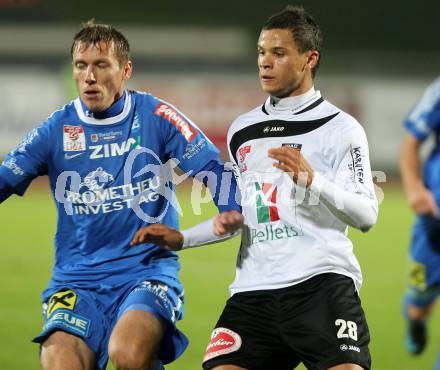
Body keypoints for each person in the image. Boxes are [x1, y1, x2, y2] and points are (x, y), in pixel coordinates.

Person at [132, 5, 378, 370]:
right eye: (262, 52)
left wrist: (316, 182)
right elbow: (243, 216)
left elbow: (367, 215)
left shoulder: (342, 128)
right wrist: (182, 239)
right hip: (254, 290)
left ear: (310, 59)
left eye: (279, 54)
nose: (265, 62)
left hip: (321, 284)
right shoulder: (242, 130)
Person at [0, 21, 242, 370]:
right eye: (81, 66)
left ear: (125, 69)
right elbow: (5, 179)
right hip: (75, 281)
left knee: (128, 352)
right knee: (58, 359)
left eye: (101, 65)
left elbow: (211, 167)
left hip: (145, 273)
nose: (89, 76)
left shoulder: (155, 116)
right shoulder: (56, 129)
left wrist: (231, 209)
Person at [400, 76, 440, 367]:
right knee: (420, 293)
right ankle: (415, 313)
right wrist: (414, 188)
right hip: (433, 220)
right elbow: (410, 144)